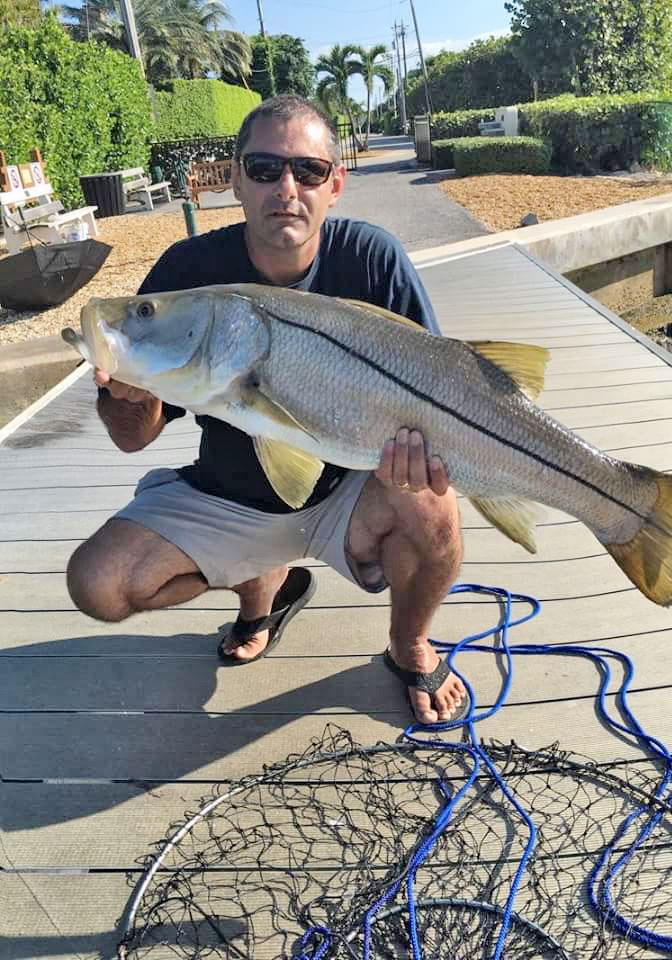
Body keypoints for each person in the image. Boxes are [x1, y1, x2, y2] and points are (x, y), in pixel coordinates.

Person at [66, 95, 467, 725]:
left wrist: (422, 460)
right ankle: (264, 591)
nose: (286, 187)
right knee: (97, 583)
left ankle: (409, 643)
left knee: (433, 506)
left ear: (335, 184)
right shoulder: (188, 274)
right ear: (235, 180)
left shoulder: (375, 259)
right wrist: (129, 396)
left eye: (307, 171)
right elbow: (131, 439)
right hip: (230, 498)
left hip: (353, 494)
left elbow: (451, 390)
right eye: (263, 169)